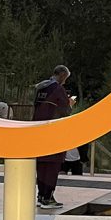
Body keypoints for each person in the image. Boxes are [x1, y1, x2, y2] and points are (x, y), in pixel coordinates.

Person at [32, 65, 75, 209]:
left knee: (42, 164)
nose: (65, 81)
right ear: (62, 75)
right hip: (53, 132)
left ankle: (41, 195)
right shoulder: (57, 89)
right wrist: (70, 104)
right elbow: (65, 110)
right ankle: (48, 198)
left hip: (38, 131)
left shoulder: (41, 88)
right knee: (52, 166)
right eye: (66, 78)